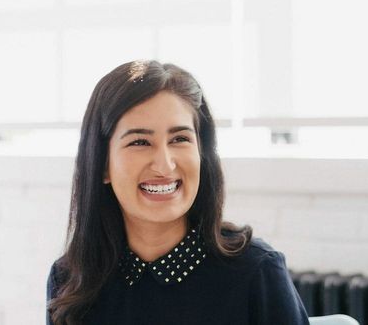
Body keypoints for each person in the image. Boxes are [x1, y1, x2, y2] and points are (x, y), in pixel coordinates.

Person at [46, 60, 309, 325]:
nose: (165, 165)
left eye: (179, 139)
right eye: (140, 142)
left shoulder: (256, 270)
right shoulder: (70, 280)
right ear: (103, 165)